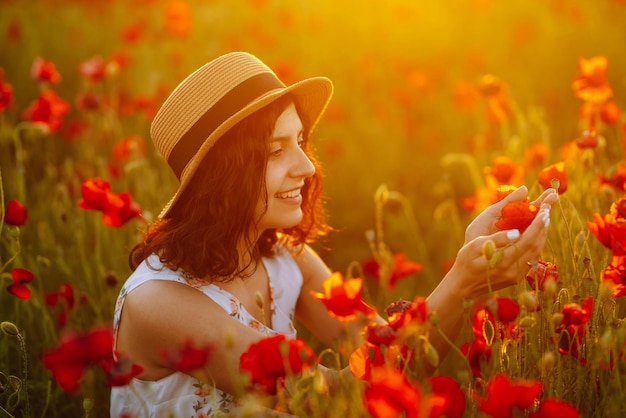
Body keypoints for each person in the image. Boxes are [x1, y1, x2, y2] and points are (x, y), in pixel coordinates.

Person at [110, 51, 558, 417]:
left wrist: (471, 270)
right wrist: (462, 282)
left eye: (301, 141)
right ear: (220, 177)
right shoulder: (160, 303)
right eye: (275, 150)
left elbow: (393, 364)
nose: (305, 167)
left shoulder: (284, 257)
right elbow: (331, 398)